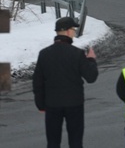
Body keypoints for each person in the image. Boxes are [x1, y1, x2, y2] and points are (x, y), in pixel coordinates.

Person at [33, 17, 98, 148]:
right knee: (75, 142)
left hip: (52, 105)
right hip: (74, 104)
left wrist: (41, 105)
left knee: (53, 142)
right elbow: (91, 77)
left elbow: (37, 82)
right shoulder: (77, 54)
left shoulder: (44, 54)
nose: (74, 33)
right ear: (68, 32)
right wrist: (91, 60)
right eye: (73, 30)